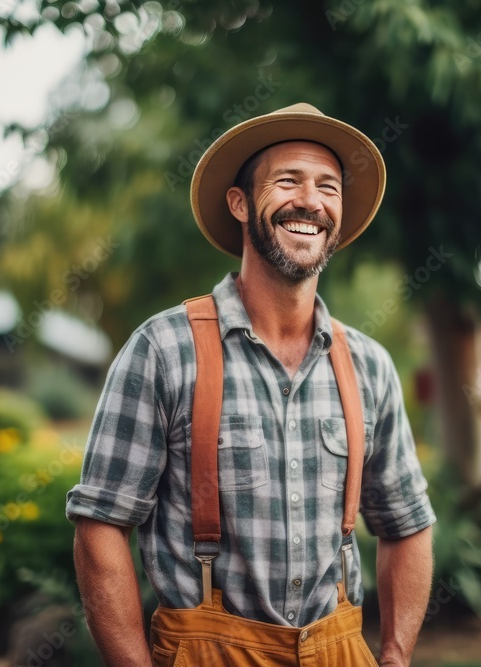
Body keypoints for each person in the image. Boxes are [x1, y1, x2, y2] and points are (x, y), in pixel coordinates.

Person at [66, 103, 436, 666]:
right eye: (288, 181)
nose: (310, 201)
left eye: (328, 187)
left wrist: (395, 655)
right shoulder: (164, 350)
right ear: (239, 203)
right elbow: (100, 525)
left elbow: (407, 524)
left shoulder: (369, 365)